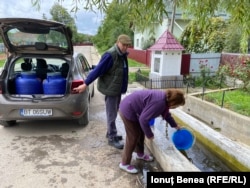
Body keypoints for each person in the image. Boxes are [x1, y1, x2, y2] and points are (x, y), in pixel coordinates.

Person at [73, 34, 132, 150]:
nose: (125, 47)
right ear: (118, 42)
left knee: (114, 111)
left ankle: (110, 132)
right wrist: (85, 84)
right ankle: (111, 137)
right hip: (111, 89)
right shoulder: (110, 55)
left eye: (127, 45)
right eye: (124, 45)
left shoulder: (122, 54)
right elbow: (97, 70)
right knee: (112, 113)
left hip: (117, 89)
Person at [118, 89, 185, 174]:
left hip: (133, 108)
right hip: (128, 110)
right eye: (177, 105)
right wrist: (149, 134)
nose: (175, 107)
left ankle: (140, 154)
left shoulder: (164, 99)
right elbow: (143, 119)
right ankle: (124, 163)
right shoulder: (160, 103)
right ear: (173, 102)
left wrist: (175, 125)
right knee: (133, 136)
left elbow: (167, 115)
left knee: (140, 131)